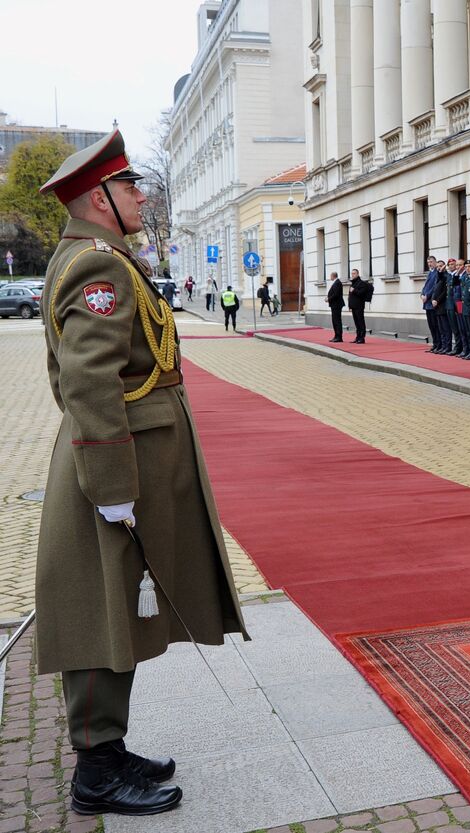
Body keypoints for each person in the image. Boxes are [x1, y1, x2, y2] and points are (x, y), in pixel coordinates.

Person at [35, 129, 247, 817]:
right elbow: (90, 381)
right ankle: (95, 770)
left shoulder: (101, 258)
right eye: (129, 186)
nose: (141, 193)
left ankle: (109, 745)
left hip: (119, 462)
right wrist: (113, 488)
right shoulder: (99, 268)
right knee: (99, 611)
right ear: (99, 199)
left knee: (115, 609)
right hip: (111, 470)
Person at [431, 258, 452, 354]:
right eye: (438, 266)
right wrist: (432, 300)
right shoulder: (439, 276)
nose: (439, 268)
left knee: (446, 328)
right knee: (441, 328)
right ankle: (443, 346)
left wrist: (437, 301)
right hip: (436, 306)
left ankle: (447, 346)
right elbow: (434, 290)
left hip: (442, 305)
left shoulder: (446, 276)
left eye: (441, 266)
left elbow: (444, 292)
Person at [421, 255, 440, 352]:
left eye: (431, 262)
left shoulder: (437, 273)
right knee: (431, 325)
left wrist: (427, 296)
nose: (430, 264)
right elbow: (425, 286)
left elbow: (435, 287)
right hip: (427, 303)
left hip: (432, 302)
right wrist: (422, 294)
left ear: (435, 262)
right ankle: (435, 343)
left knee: (436, 325)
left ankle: (439, 344)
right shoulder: (430, 273)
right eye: (428, 262)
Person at [348, 268, 368, 343]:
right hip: (353, 306)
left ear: (357, 274)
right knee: (356, 323)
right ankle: (357, 337)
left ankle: (362, 338)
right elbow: (350, 296)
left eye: (354, 273)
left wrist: (354, 290)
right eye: (352, 273)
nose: (352, 275)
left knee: (360, 322)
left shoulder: (361, 283)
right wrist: (349, 306)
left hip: (359, 306)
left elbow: (362, 294)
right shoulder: (352, 283)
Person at [326, 271, 344, 342]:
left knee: (337, 321)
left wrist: (328, 299)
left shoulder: (337, 283)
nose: (330, 277)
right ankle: (336, 336)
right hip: (334, 304)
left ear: (333, 276)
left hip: (337, 305)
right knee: (334, 321)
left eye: (330, 276)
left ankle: (339, 337)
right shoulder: (336, 282)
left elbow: (336, 294)